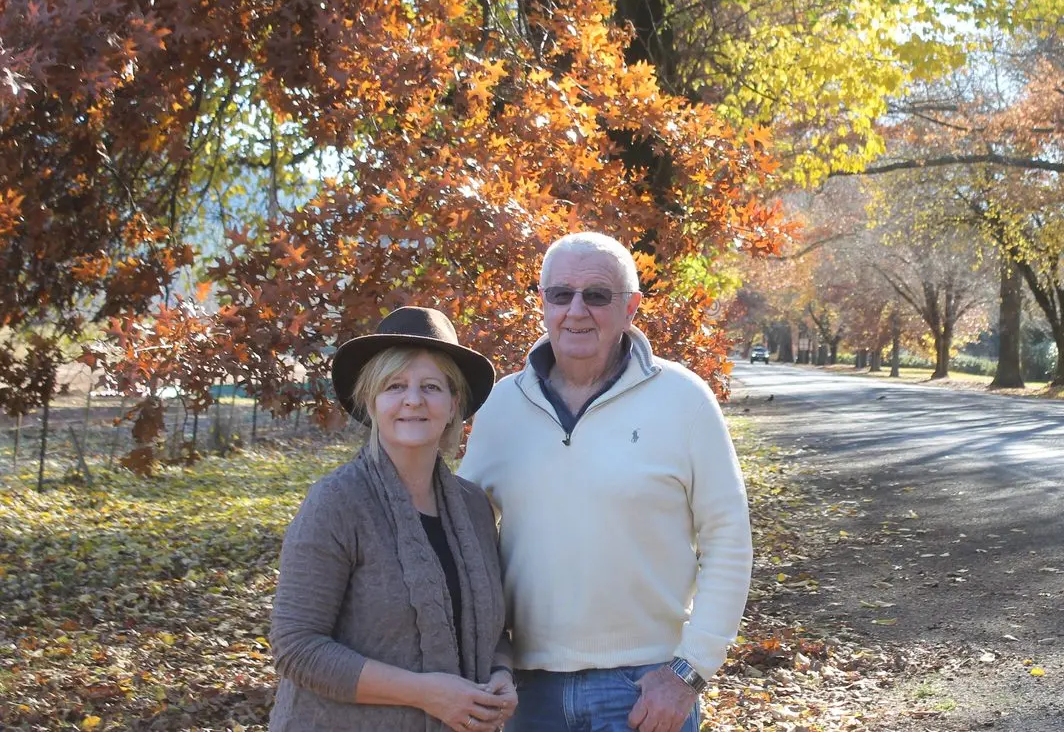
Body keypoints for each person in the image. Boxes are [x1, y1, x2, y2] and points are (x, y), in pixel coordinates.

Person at [459, 233, 753, 732]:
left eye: (596, 295)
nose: (576, 310)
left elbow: (728, 539)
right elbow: (462, 539)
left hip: (645, 691)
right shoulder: (501, 407)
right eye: (560, 294)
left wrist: (689, 672)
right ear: (542, 303)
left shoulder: (684, 399)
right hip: (528, 695)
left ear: (631, 307)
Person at [269, 306, 519, 732]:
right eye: (395, 385)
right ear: (371, 401)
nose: (413, 400)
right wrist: (426, 693)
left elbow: (489, 626)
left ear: (454, 403)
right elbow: (296, 648)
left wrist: (502, 675)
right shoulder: (337, 502)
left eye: (431, 386)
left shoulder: (474, 507)